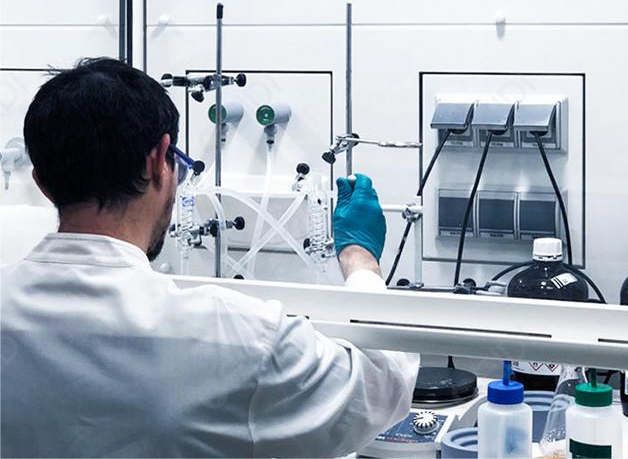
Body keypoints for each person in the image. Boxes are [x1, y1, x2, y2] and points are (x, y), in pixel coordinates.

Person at [0, 57, 419, 458]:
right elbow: (379, 388)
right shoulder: (234, 336)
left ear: (42, 183)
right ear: (159, 161)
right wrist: (361, 261)